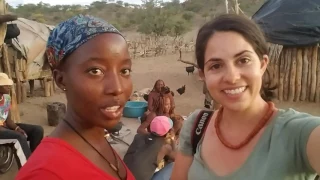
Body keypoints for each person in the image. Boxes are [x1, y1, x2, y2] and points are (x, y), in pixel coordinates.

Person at [171, 14, 320, 180]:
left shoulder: (298, 134)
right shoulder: (196, 126)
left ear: (263, 64)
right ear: (203, 75)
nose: (232, 77)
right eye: (216, 66)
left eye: (243, 60)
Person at [16, 15, 135, 180]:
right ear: (60, 79)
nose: (118, 88)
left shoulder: (97, 139)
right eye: (95, 71)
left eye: (124, 71)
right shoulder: (46, 174)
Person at [0, 72, 43, 167]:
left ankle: (33, 159)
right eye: (5, 85)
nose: (8, 86)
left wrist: (17, 129)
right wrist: (14, 133)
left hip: (4, 127)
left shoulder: (6, 98)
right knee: (18, 137)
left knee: (37, 130)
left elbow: (8, 120)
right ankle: (27, 170)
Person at [123, 116, 176, 180]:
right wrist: (173, 140)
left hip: (122, 176)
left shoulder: (138, 137)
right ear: (169, 131)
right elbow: (176, 158)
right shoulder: (165, 147)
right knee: (173, 165)